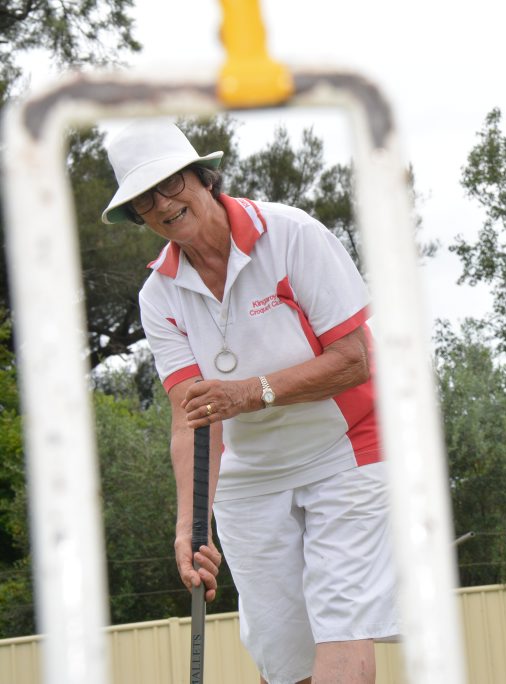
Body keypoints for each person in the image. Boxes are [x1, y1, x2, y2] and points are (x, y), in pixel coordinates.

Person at [102, 119, 399, 684]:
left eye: (170, 184)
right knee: (282, 654)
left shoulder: (291, 234)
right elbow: (192, 420)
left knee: (341, 622)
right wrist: (191, 526)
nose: (163, 205)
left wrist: (251, 393)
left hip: (348, 451)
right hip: (250, 476)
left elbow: (354, 359)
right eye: (144, 201)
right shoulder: (158, 296)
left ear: (201, 176)